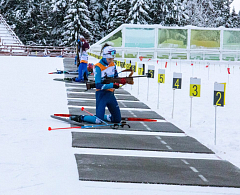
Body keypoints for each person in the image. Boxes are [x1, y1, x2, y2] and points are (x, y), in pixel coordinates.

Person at [70, 44, 128, 124]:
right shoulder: (98, 67)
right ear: (104, 56)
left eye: (112, 58)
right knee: (98, 121)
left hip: (110, 95)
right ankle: (81, 118)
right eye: (109, 59)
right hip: (101, 94)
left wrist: (121, 81)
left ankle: (102, 116)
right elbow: (98, 85)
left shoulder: (112, 65)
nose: (111, 60)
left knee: (117, 119)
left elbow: (115, 76)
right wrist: (112, 85)